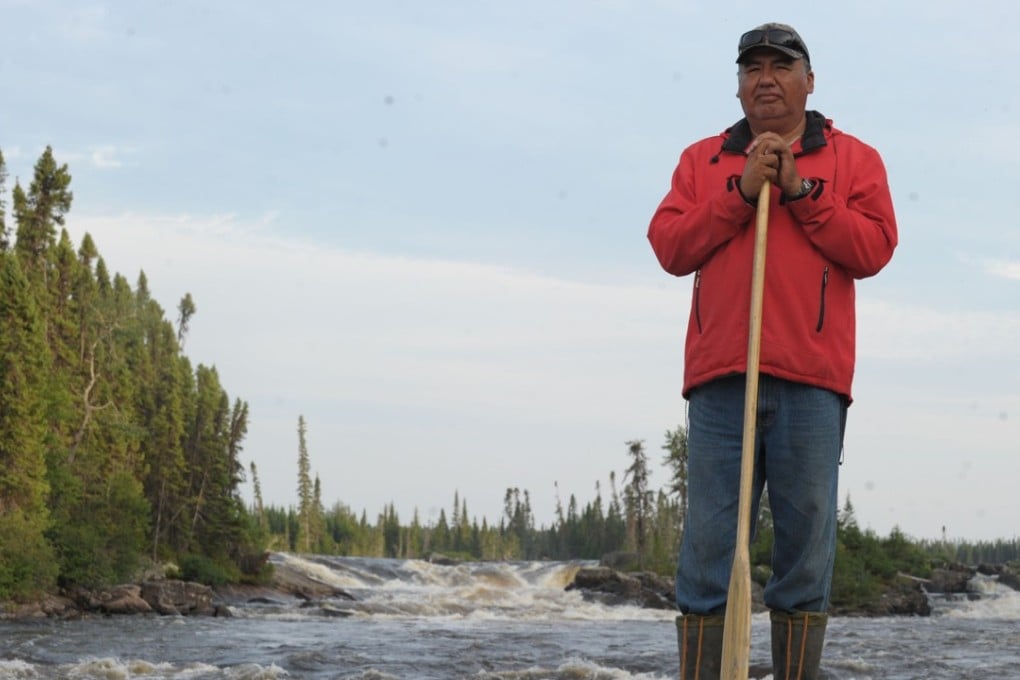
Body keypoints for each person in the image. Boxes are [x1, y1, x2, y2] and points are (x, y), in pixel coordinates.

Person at [647, 23, 898, 680]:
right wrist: (738, 194)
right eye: (752, 68)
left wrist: (800, 194)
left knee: (805, 553)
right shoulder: (702, 160)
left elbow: (873, 248)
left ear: (808, 82)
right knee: (707, 550)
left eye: (781, 66)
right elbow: (670, 247)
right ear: (738, 86)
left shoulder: (854, 160)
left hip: (812, 383)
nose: (765, 78)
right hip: (721, 381)